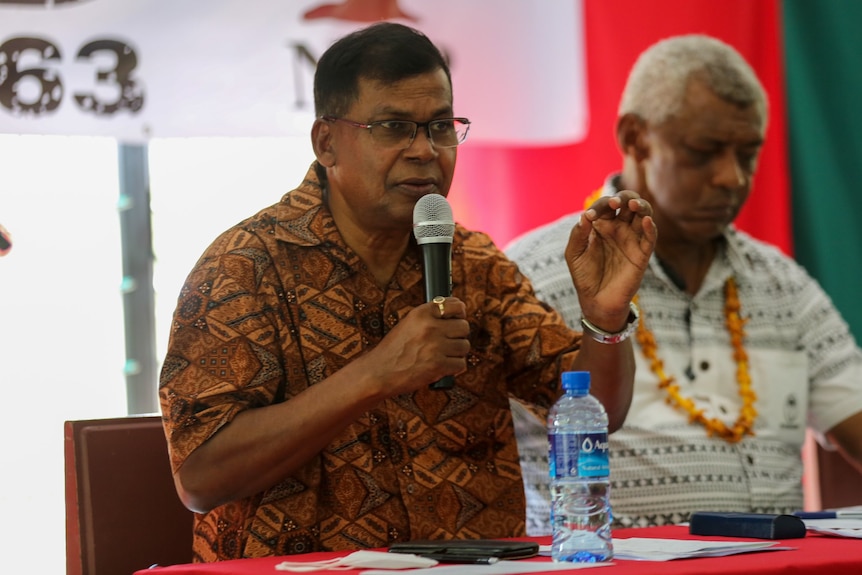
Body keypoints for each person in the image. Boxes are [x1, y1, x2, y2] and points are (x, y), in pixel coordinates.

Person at [159, 22, 656, 561]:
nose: (425, 151)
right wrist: (376, 375)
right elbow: (201, 477)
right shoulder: (244, 268)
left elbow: (589, 411)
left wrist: (604, 320)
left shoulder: (475, 264)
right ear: (327, 142)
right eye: (395, 127)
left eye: (441, 126)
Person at [506, 34, 862, 533]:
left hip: (780, 568)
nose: (732, 178)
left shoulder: (783, 283)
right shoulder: (532, 274)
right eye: (704, 152)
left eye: (748, 153)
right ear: (634, 137)